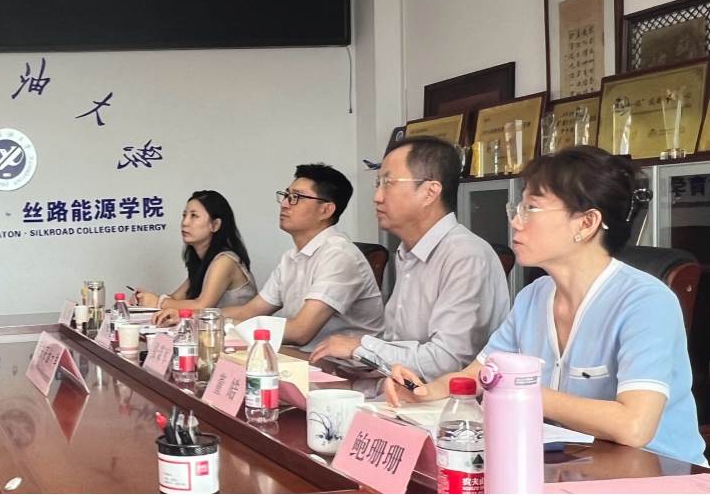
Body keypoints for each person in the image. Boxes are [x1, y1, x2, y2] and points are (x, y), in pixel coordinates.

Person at [384, 146, 706, 465]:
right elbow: (481, 373)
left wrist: (522, 391)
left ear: (586, 223)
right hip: (575, 466)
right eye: (517, 209)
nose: (516, 222)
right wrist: (428, 391)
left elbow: (634, 426)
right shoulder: (533, 296)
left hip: (661, 473)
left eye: (531, 209)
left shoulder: (646, 302)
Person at [310, 136, 509, 381]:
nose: (377, 196)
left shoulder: (466, 256)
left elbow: (448, 362)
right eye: (378, 183)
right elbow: (399, 346)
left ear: (430, 192)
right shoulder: (407, 252)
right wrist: (355, 363)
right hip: (398, 390)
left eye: (388, 183)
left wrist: (362, 348)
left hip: (443, 400)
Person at [157, 164, 384, 350]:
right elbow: (249, 311)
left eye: (295, 198)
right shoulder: (291, 258)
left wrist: (223, 324)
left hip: (346, 370)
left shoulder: (339, 256)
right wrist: (195, 317)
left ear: (326, 210)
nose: (284, 204)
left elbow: (301, 332)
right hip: (305, 359)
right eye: (286, 195)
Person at [132, 190, 257, 312]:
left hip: (239, 326)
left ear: (215, 225)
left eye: (194, 216)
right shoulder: (203, 261)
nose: (185, 222)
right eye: (184, 215)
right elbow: (175, 298)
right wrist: (147, 298)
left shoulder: (225, 261)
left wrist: (158, 302)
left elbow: (202, 306)